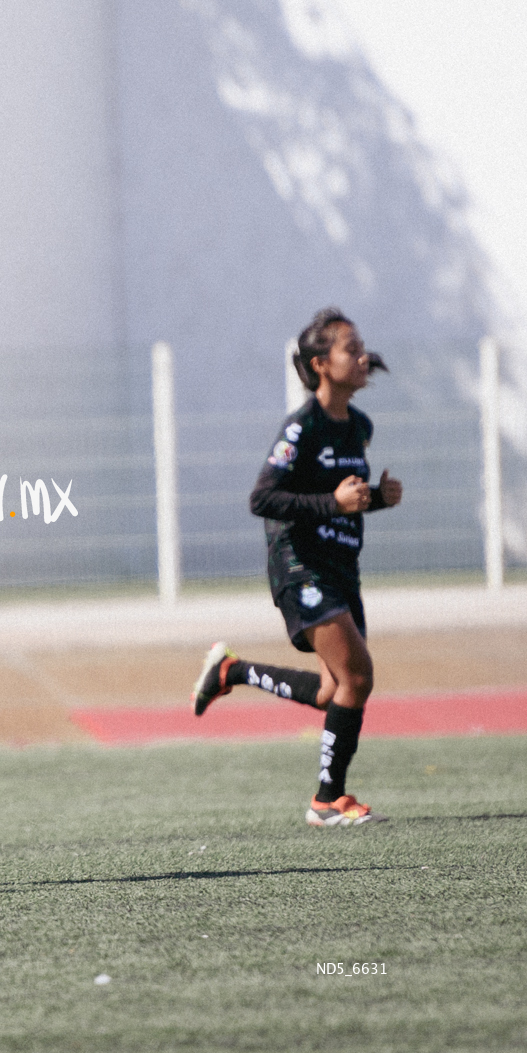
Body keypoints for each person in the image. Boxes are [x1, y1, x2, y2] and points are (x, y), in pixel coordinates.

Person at [192, 308, 402, 827]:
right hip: (300, 567)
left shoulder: (360, 427)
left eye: (360, 347)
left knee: (335, 691)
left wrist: (375, 499)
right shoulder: (301, 427)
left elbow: (341, 498)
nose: (360, 356)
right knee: (358, 677)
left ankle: (231, 670)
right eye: (349, 348)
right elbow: (263, 498)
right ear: (321, 364)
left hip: (340, 569)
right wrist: (334, 504)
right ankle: (328, 800)